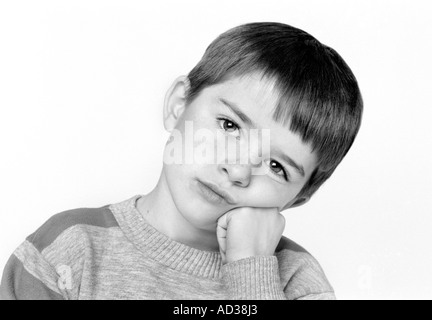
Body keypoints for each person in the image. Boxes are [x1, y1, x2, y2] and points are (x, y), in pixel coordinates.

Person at [0, 22, 363, 300]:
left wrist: (250, 270)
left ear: (298, 197)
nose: (236, 171)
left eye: (276, 167)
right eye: (229, 125)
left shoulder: (296, 281)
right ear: (178, 105)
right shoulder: (69, 249)